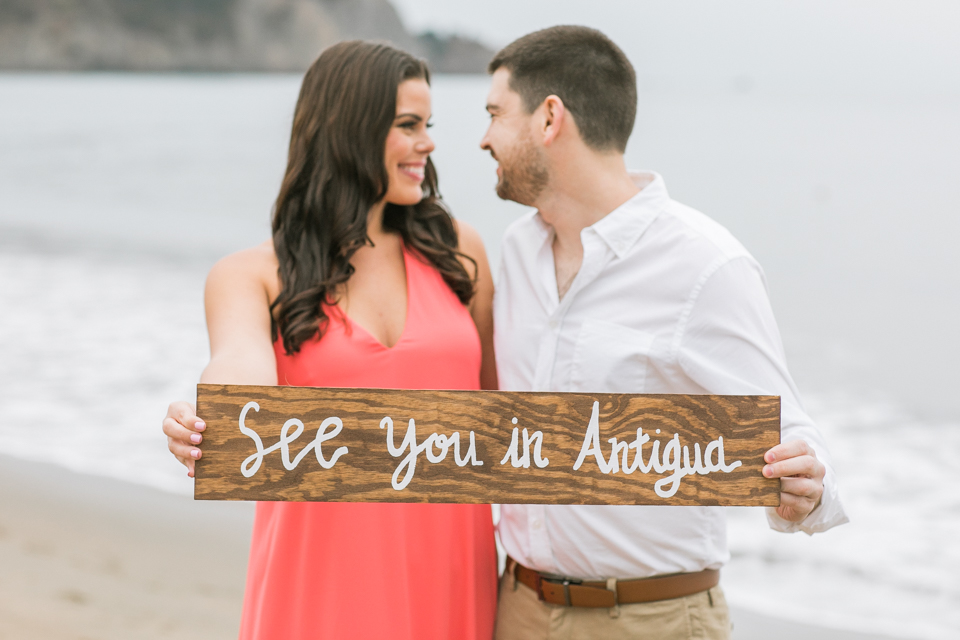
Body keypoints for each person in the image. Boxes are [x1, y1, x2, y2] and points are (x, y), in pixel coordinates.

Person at [480, 26, 849, 640]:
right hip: (515, 607)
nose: (484, 137)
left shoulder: (704, 266)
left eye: (495, 114)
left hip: (650, 620)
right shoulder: (516, 252)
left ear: (550, 118)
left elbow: (792, 437)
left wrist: (807, 490)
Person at [161, 41, 498, 639]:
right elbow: (239, 367)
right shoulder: (251, 275)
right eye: (408, 125)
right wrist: (214, 419)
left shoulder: (459, 252)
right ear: (351, 131)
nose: (429, 143)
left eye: (429, 125)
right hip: (319, 590)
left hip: (450, 581)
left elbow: (503, 411)